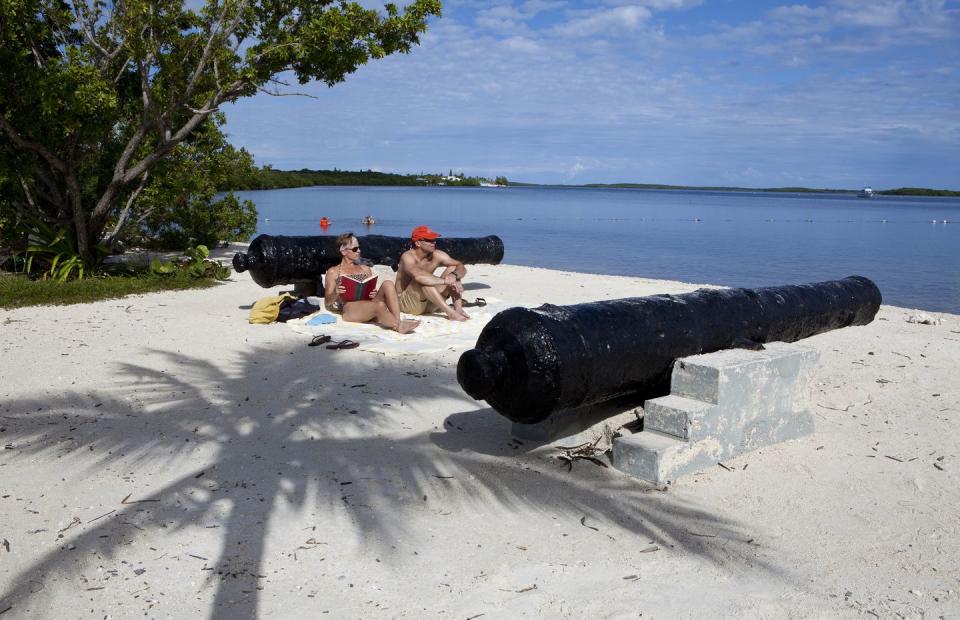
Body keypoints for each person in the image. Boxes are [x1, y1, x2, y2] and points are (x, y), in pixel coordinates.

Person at [324, 232, 420, 334]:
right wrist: (336, 292)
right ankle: (398, 325)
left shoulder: (365, 269)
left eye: (359, 248)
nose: (359, 251)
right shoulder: (334, 272)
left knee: (388, 283)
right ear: (343, 252)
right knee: (378, 306)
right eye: (355, 249)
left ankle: (397, 320)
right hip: (350, 307)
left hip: (368, 302)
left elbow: (370, 289)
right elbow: (328, 302)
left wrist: (374, 292)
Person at [395, 225, 469, 321]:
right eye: (429, 240)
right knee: (423, 280)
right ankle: (450, 313)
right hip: (408, 304)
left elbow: (461, 266)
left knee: (453, 268)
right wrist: (446, 281)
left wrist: (454, 275)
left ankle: (458, 309)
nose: (433, 242)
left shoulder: (437, 254)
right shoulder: (408, 257)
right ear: (418, 243)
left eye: (434, 239)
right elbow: (419, 276)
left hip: (430, 302)